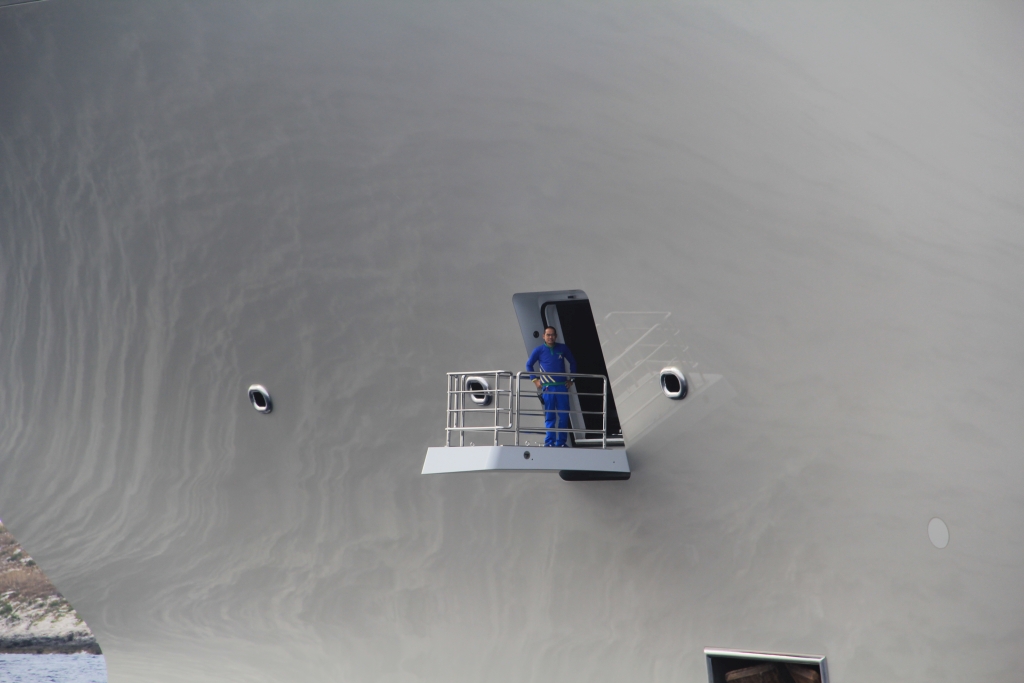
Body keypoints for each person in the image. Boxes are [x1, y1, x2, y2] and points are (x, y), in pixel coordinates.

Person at [525, 326, 577, 447]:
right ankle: (549, 442)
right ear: (543, 336)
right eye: (548, 335)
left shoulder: (562, 348)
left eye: (552, 335)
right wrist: (535, 380)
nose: (550, 337)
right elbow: (529, 365)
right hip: (548, 388)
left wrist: (572, 380)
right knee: (550, 416)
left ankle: (561, 442)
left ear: (556, 336)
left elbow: (573, 362)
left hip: (562, 387)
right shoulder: (538, 350)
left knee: (564, 416)